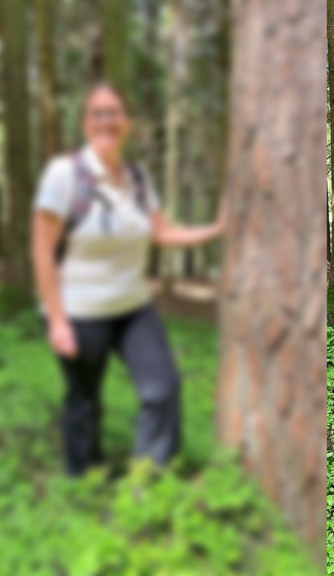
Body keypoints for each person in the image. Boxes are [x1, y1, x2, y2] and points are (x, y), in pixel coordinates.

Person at [31, 82, 227, 476]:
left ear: (126, 122)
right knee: (84, 400)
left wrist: (216, 228)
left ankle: (149, 479)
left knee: (162, 387)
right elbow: (42, 250)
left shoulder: (136, 178)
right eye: (97, 113)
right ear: (85, 123)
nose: (107, 121)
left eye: (114, 112)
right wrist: (56, 320)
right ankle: (82, 481)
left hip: (132, 308)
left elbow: (162, 232)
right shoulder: (64, 175)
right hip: (78, 309)